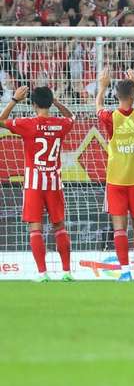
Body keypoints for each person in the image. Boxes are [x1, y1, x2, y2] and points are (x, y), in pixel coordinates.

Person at [0, 86, 74, 282]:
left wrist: (15, 100)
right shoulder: (61, 124)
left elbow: (0, 121)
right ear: (49, 103)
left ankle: (42, 274)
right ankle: (67, 272)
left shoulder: (28, 123)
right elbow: (72, 117)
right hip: (54, 182)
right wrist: (57, 103)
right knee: (60, 227)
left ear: (33, 105)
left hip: (34, 183)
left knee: (36, 228)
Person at [96, 68, 134, 282]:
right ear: (132, 96)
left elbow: (98, 107)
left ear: (117, 96)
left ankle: (125, 271)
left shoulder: (111, 117)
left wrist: (102, 87)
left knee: (119, 228)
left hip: (116, 180)